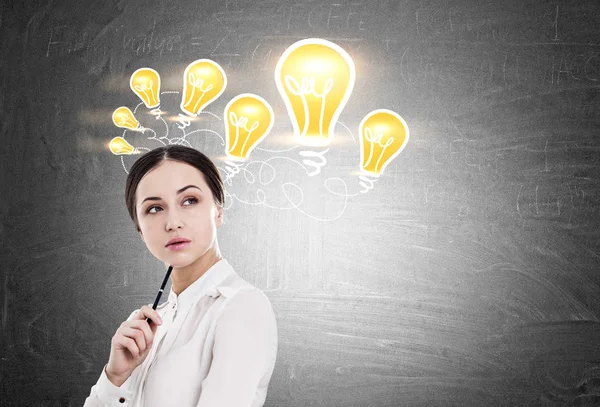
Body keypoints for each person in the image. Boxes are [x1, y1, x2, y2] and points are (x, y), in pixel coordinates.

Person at [83, 145, 278, 406]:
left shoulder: (242, 307)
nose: (172, 222)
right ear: (140, 230)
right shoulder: (143, 325)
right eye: (154, 208)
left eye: (189, 201)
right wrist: (116, 376)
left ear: (218, 211)